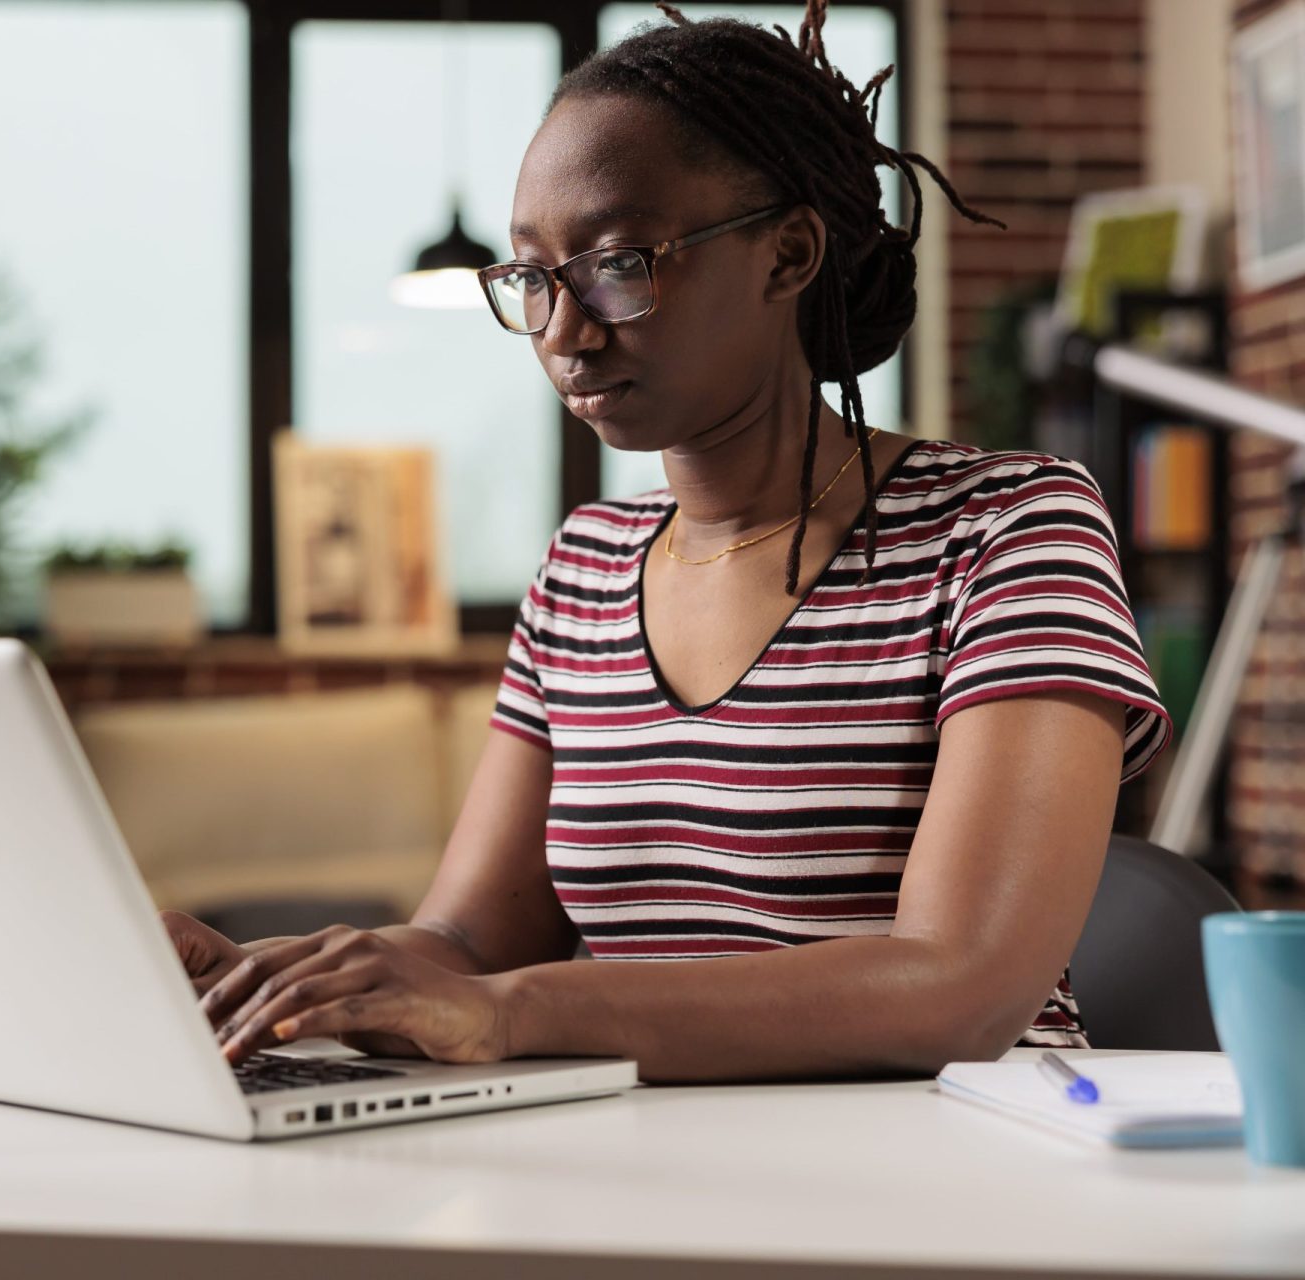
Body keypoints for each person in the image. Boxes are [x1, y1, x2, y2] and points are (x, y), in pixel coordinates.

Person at [165, 0, 1172, 1082]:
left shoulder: (1006, 531)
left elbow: (956, 988)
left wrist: (511, 1011)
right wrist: (266, 979)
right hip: (662, 1165)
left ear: (788, 255)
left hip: (975, 1180)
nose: (564, 329)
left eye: (618, 262)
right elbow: (465, 945)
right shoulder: (585, 567)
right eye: (533, 278)